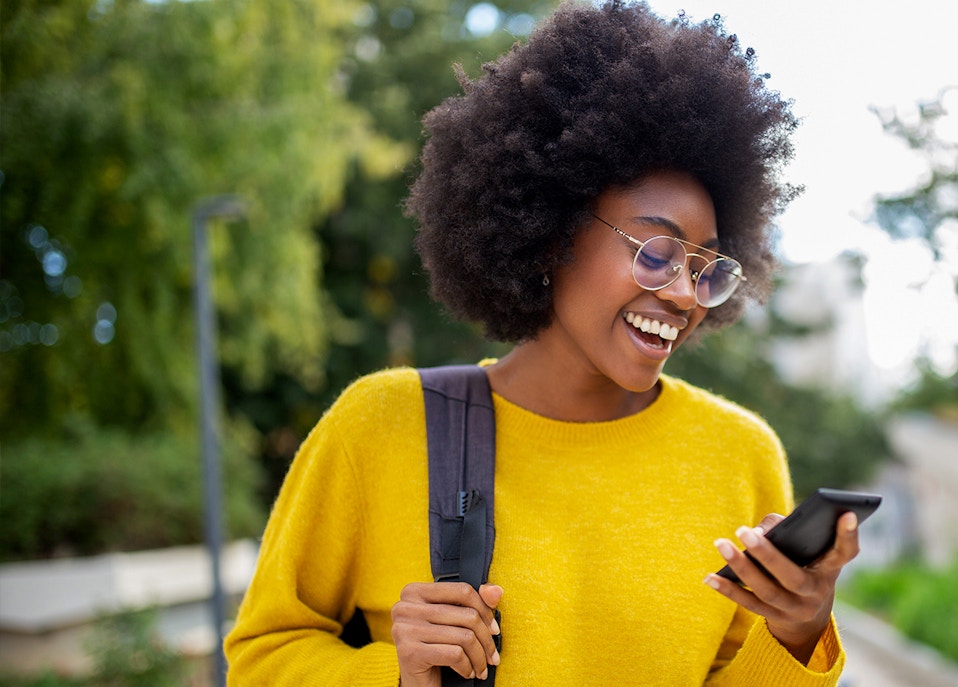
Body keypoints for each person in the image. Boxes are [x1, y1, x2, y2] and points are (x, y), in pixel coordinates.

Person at [224, 2, 861, 685]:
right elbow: (263, 654)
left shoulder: (740, 454)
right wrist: (395, 675)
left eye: (704, 268)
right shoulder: (380, 426)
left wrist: (795, 635)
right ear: (551, 233)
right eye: (656, 252)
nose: (683, 294)